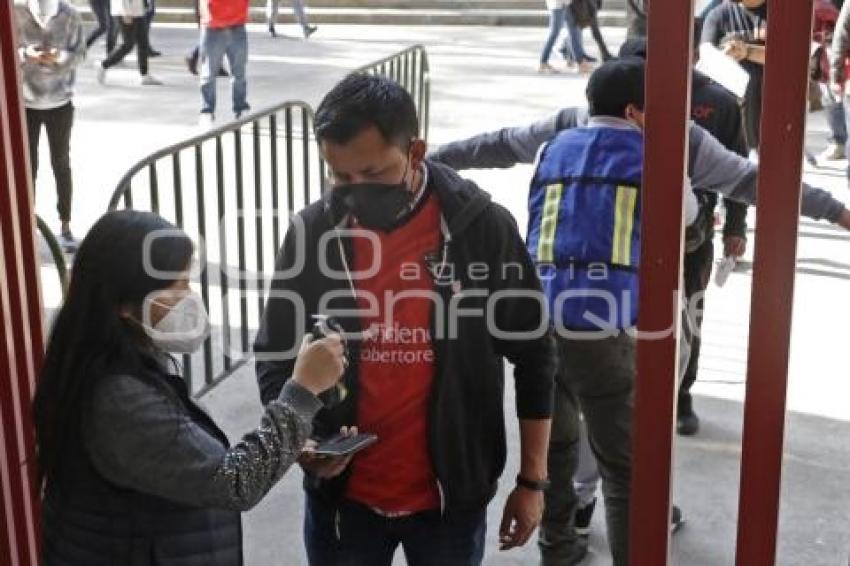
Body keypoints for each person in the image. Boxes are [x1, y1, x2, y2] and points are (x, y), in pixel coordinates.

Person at [431, 56, 850, 566]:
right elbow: (744, 188)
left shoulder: (560, 133)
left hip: (533, 321)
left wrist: (428, 159)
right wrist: (834, 209)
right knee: (626, 470)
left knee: (553, 457)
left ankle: (558, 551)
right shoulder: (670, 146)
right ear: (635, 110)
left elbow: (495, 144)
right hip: (607, 328)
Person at [254, 74, 557, 565]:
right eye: (339, 177)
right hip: (342, 508)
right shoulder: (313, 231)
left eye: (373, 174)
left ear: (416, 151)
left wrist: (532, 481)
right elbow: (274, 353)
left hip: (448, 507)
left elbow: (535, 354)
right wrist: (302, 440)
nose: (354, 193)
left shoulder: (481, 229)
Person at [34, 209, 347, 565]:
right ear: (125, 303)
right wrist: (302, 391)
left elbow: (191, 457)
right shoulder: (118, 399)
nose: (190, 298)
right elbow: (233, 481)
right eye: (177, 286)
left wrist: (289, 444)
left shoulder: (118, 357)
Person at [14, 0, 85, 252]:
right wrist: (26, 55)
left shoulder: (70, 15)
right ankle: (27, 227)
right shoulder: (18, 11)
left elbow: (80, 54)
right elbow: (8, 49)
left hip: (60, 102)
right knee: (27, 167)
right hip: (26, 103)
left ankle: (65, 226)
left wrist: (58, 57)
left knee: (61, 164)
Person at [701, 0, 767, 152]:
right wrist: (724, 53)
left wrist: (748, 52)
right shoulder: (718, 14)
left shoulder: (781, 12)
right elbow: (706, 56)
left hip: (775, 114)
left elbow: (790, 56)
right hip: (735, 118)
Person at [197, 0, 250, 126]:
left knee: (239, 73)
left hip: (237, 25)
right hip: (213, 27)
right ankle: (207, 111)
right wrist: (207, 15)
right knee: (208, 74)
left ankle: (241, 107)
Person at [97, 0, 162, 86]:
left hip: (138, 11)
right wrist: (125, 11)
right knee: (128, 44)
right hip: (127, 12)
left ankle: (144, 74)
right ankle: (104, 65)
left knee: (143, 42)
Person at [539, 0, 594, 74]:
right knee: (554, 33)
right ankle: (543, 62)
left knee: (574, 30)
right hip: (559, 4)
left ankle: (579, 63)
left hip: (565, 4)